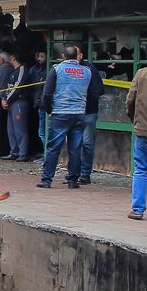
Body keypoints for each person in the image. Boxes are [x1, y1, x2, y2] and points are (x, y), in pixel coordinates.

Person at [38, 46, 90, 189]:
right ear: (78, 56)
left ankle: (47, 179)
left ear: (63, 55)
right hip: (79, 113)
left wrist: (49, 110)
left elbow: (47, 94)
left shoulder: (57, 70)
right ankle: (73, 180)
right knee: (75, 148)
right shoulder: (87, 72)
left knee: (53, 147)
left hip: (60, 113)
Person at [126, 65, 147, 220]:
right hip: (143, 128)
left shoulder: (142, 73)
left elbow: (131, 100)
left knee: (141, 170)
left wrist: (135, 121)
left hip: (144, 130)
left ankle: (137, 209)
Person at [75, 50, 105, 186]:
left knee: (85, 143)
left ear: (81, 56)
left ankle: (84, 173)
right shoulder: (66, 69)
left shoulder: (89, 68)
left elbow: (99, 89)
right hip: (77, 111)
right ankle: (75, 173)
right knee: (76, 144)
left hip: (87, 112)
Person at [3, 51, 30, 161]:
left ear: (13, 57)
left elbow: (18, 86)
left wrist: (7, 99)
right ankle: (14, 151)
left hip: (19, 102)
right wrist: (3, 99)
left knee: (20, 129)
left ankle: (23, 153)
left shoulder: (22, 69)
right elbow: (8, 87)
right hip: (10, 102)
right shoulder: (13, 71)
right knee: (11, 129)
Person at [26, 48, 48, 156]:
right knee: (39, 130)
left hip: (44, 103)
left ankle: (46, 155)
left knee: (43, 131)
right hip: (35, 102)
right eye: (38, 56)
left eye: (42, 56)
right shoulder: (33, 69)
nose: (39, 59)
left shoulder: (49, 70)